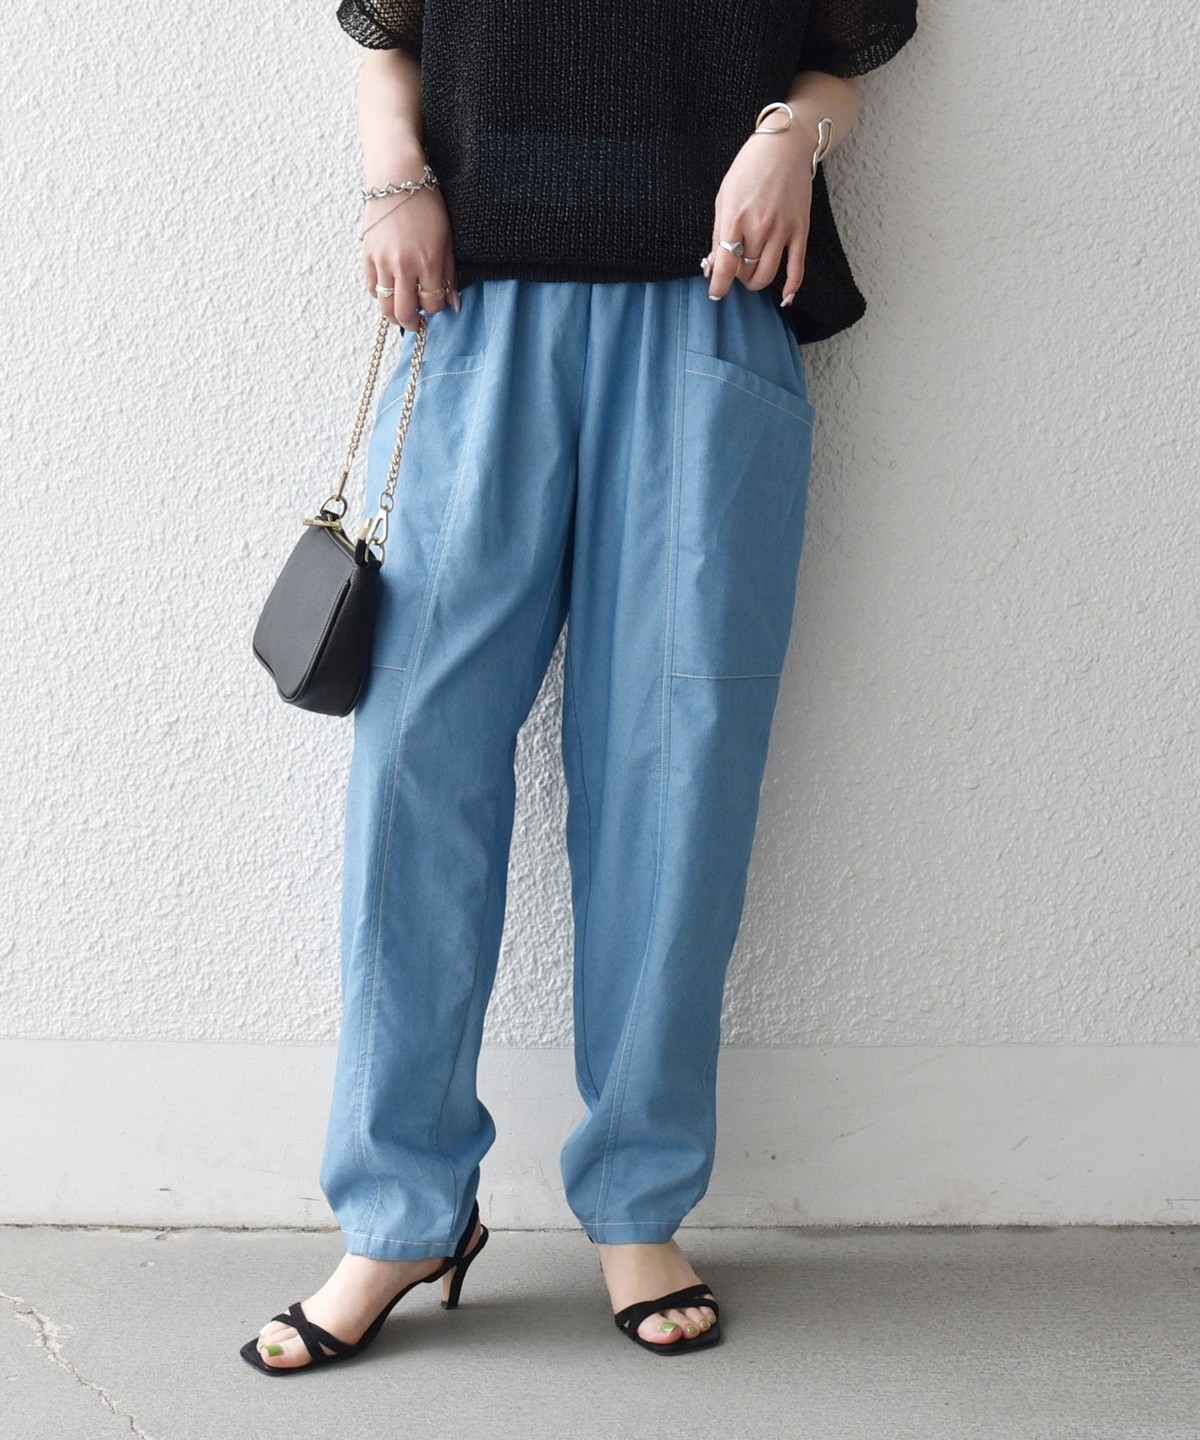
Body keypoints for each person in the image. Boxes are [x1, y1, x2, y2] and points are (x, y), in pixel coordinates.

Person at [241, 0, 918, 1373]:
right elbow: (386, 37)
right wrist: (394, 177)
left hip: (705, 313)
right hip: (473, 314)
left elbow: (842, 51)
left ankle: (637, 1200)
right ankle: (400, 1211)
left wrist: (790, 137)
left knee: (676, 776)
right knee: (415, 764)